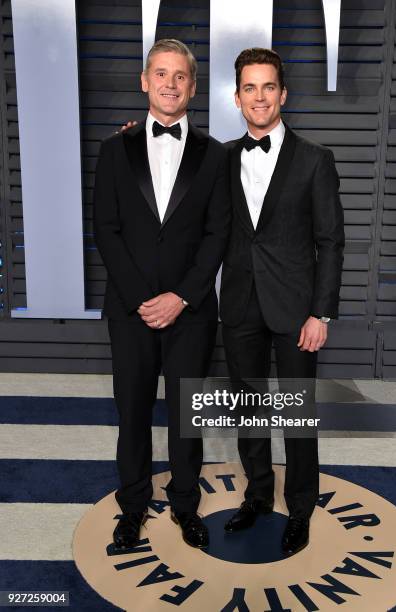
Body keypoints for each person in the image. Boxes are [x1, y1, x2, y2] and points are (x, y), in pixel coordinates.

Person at [93, 39, 231, 550]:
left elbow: (219, 234)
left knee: (185, 418)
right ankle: (131, 508)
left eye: (180, 76)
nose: (170, 83)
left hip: (191, 313)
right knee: (131, 414)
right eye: (161, 73)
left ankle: (185, 506)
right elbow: (105, 230)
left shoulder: (215, 155)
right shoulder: (113, 149)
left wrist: (180, 297)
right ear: (144, 81)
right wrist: (141, 299)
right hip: (129, 312)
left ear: (192, 87)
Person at [220, 48, 345, 556]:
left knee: (296, 414)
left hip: (296, 309)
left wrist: (322, 312)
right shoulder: (221, 158)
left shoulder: (315, 160)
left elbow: (331, 241)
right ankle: (256, 496)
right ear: (237, 97)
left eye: (268, 87)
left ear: (283, 94)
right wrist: (130, 140)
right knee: (248, 408)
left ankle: (300, 509)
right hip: (240, 304)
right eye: (250, 88)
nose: (259, 97)